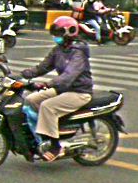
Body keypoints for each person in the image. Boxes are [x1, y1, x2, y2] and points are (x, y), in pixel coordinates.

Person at [21, 15, 93, 161]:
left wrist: (48, 84)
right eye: (55, 33)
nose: (56, 36)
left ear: (69, 32)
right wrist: (24, 74)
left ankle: (55, 146)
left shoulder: (78, 52)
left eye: (59, 33)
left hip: (79, 92)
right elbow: (43, 67)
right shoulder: (58, 50)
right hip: (63, 89)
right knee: (31, 99)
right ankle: (45, 133)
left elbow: (68, 76)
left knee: (47, 106)